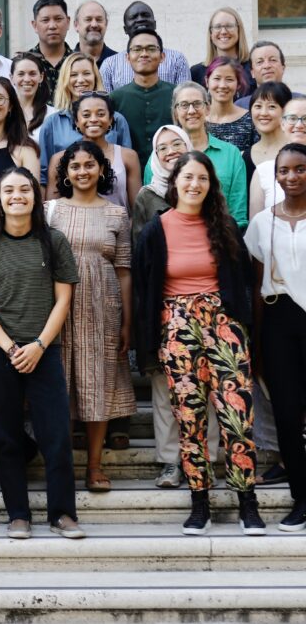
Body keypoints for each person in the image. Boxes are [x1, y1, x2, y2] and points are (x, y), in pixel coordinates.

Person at [133, 152, 264, 535]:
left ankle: (248, 502)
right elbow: (144, 289)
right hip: (177, 326)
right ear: (175, 183)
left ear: (211, 185)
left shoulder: (224, 226)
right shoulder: (155, 231)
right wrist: (149, 342)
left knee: (237, 417)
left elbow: (241, 281)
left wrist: (243, 329)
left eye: (202, 178)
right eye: (188, 177)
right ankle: (199, 502)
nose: (195, 184)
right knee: (190, 418)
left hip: (224, 325)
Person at [0, 166, 85, 540]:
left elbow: (64, 298)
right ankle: (18, 514)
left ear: (35, 197)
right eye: (9, 191)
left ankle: (62, 514)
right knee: (7, 435)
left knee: (56, 436)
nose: (17, 196)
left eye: (24, 190)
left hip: (44, 350)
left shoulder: (54, 241)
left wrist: (38, 345)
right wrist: (10, 347)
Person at [45, 141, 135, 492]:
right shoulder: (50, 211)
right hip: (58, 308)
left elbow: (124, 269)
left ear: (101, 169)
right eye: (75, 166)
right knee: (60, 384)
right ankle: (63, 464)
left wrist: (127, 320)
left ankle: (94, 465)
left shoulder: (116, 214)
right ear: (65, 173)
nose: (82, 171)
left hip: (103, 305)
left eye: (89, 165)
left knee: (99, 384)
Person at [135, 125, 219, 489]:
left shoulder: (215, 211)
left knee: (210, 391)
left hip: (212, 317)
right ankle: (171, 461)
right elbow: (142, 264)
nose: (170, 151)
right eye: (163, 147)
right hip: (166, 309)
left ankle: (208, 460)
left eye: (177, 145)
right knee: (164, 390)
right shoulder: (147, 198)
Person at [244, 143, 306, 531]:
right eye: (284, 170)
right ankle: (302, 498)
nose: (292, 176)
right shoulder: (262, 222)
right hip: (279, 318)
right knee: (286, 412)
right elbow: (255, 282)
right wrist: (256, 337)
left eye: (300, 169)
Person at [154, 82, 248, 227]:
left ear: (208, 108)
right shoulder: (161, 156)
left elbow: (238, 215)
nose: (191, 111)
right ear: (175, 112)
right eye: (184, 105)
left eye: (197, 104)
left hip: (221, 239)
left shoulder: (231, 155)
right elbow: (152, 205)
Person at [39, 53, 133, 183]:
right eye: (73, 75)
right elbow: (44, 175)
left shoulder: (116, 119)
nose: (81, 80)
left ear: (95, 77)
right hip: (67, 196)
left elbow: (128, 169)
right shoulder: (52, 123)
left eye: (86, 73)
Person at [46, 94, 141, 210]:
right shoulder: (59, 159)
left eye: (100, 114)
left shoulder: (128, 157)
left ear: (111, 119)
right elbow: (51, 210)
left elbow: (137, 212)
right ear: (76, 121)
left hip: (119, 226)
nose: (93, 119)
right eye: (86, 115)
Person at [110, 28, 177, 168]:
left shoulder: (177, 94)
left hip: (171, 173)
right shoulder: (115, 98)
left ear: (162, 56)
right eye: (137, 49)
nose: (144, 54)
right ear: (127, 58)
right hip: (128, 175)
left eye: (151, 49)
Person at [99, 1, 192, 92]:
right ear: (125, 29)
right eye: (133, 17)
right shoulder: (110, 65)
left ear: (155, 24)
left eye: (145, 15)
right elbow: (106, 104)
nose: (140, 19)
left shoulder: (177, 59)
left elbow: (185, 99)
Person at [250, 96, 306, 219]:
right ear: (282, 124)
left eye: (305, 119)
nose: (299, 125)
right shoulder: (264, 171)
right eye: (292, 118)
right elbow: (256, 227)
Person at [190, 7, 254, 99]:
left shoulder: (253, 68)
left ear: (239, 31)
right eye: (218, 27)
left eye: (229, 26)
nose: (223, 31)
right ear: (211, 34)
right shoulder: (196, 72)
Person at [243, 82, 292, 191]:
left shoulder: (298, 152)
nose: (263, 113)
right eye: (258, 106)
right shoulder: (243, 158)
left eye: (272, 106)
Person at [205, 57, 256, 153]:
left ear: (238, 84)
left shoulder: (250, 120)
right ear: (207, 81)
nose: (223, 85)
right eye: (217, 78)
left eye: (229, 79)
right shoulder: (197, 119)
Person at [27, 0, 73, 98]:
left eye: (58, 19)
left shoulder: (80, 62)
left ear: (68, 22)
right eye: (45, 20)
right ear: (34, 25)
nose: (52, 26)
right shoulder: (23, 64)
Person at [236, 41, 302, 110]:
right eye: (260, 62)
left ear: (283, 68)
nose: (267, 66)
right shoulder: (240, 107)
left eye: (273, 60)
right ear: (252, 72)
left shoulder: (302, 102)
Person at [11, 52, 52, 140]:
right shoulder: (3, 112)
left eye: (32, 74)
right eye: (21, 74)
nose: (27, 79)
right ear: (11, 78)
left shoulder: (52, 115)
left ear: (41, 77)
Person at [73, 0, 116, 67]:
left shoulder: (119, 62)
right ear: (76, 25)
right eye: (88, 19)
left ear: (106, 24)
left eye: (99, 19)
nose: (94, 25)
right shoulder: (66, 62)